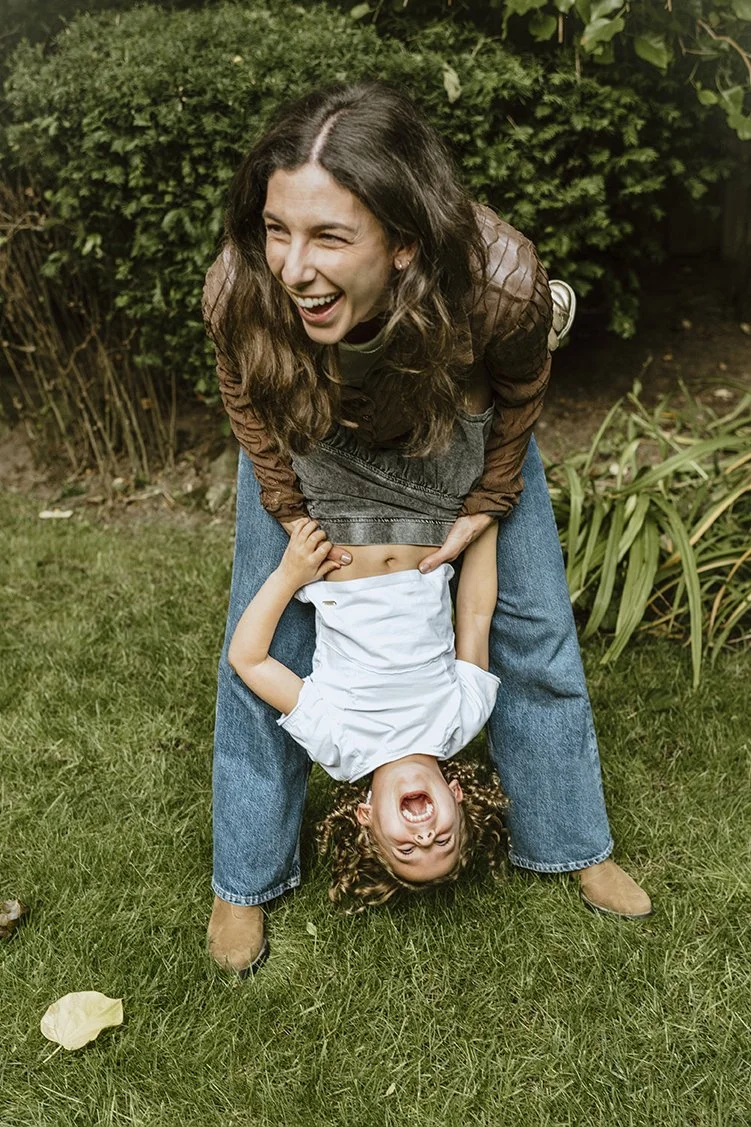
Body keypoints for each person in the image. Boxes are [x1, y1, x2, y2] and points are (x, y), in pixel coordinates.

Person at [202, 81, 652, 976]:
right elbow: (247, 400)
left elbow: (520, 393)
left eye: (329, 236)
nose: (292, 265)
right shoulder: (242, 289)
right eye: (278, 228)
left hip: (461, 430)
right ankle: (243, 879)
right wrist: (292, 516)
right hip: (311, 440)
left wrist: (487, 503)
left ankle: (570, 840)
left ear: (403, 242)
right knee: (263, 652)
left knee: (535, 636)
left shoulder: (500, 285)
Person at [227, 516, 507, 911]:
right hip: (422, 516)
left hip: (339, 521)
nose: (425, 838)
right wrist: (484, 516)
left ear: (366, 815)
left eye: (406, 849)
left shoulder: (340, 747)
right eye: (443, 840)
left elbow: (248, 659)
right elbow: (476, 614)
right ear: (456, 797)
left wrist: (289, 575)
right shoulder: (462, 721)